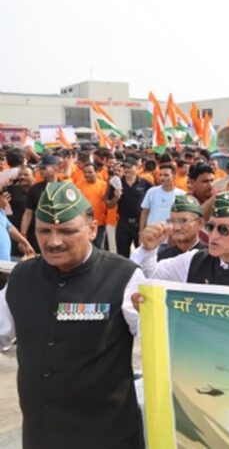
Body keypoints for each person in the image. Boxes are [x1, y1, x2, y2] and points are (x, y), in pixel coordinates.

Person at [0, 182, 145, 448]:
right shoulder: (21, 276)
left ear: (92, 229)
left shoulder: (123, 276)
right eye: (44, 231)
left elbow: (155, 342)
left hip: (106, 436)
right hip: (41, 434)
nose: (53, 242)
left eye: (66, 231)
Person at [131, 191, 229, 289]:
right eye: (210, 227)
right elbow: (149, 275)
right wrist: (148, 249)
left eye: (224, 229)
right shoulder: (192, 261)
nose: (213, 236)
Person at [107, 158, 151, 258]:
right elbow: (109, 205)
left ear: (137, 167)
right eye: (125, 167)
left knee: (142, 253)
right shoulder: (117, 183)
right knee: (122, 255)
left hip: (140, 223)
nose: (126, 170)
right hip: (123, 223)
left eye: (129, 167)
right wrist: (116, 197)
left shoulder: (145, 184)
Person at [21, 154, 60, 253]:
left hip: (60, 233)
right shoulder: (35, 189)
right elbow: (28, 213)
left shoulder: (65, 188)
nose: (41, 171)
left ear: (55, 168)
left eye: (44, 168)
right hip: (40, 234)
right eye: (40, 168)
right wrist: (23, 235)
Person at [139, 162, 186, 232]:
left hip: (172, 237)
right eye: (160, 175)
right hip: (152, 235)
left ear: (174, 176)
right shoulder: (151, 192)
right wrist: (141, 232)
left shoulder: (181, 195)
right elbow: (145, 212)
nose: (162, 178)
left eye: (166, 175)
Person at [158, 195, 206, 260]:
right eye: (172, 221)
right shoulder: (162, 258)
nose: (176, 227)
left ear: (200, 223)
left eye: (183, 221)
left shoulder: (211, 258)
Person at [78, 162, 109, 249]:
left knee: (99, 247)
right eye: (85, 172)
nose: (87, 174)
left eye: (90, 172)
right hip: (84, 223)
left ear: (96, 172)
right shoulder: (79, 185)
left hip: (100, 223)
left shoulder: (104, 185)